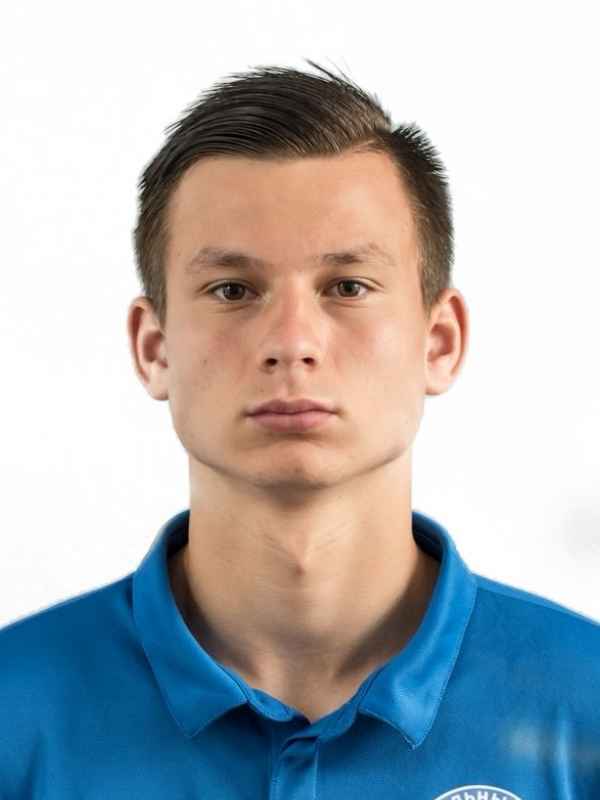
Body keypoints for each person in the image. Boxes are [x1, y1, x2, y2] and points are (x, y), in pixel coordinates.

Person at [0, 62, 598, 800]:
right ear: (155, 349)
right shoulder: (12, 717)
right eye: (232, 289)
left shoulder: (586, 704)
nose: (292, 342)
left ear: (438, 343)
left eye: (347, 286)